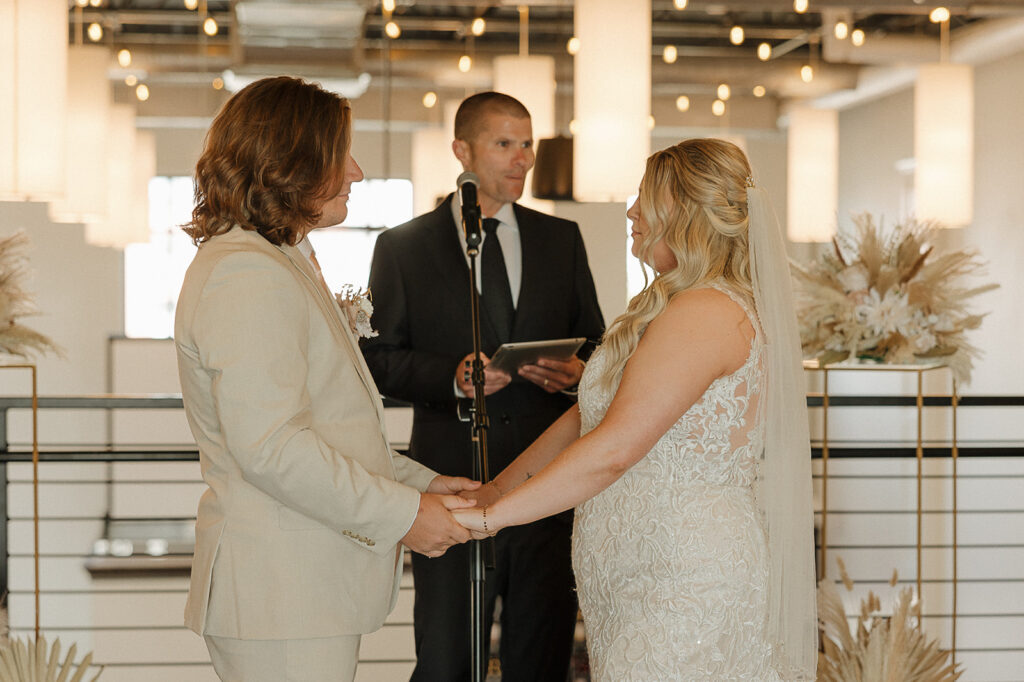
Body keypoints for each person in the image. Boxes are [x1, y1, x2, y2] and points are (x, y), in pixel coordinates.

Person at [454, 139, 818, 680]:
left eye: (645, 197)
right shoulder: (675, 304)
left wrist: (490, 520)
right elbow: (585, 420)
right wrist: (495, 490)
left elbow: (616, 449)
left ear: (686, 210)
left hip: (683, 578)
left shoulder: (708, 311)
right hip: (637, 573)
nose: (631, 210)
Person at [174, 76, 479, 682]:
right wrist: (403, 515)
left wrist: (424, 483)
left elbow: (328, 429)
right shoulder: (247, 274)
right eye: (342, 155)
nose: (357, 172)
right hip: (280, 595)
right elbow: (274, 449)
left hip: (297, 591)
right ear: (294, 162)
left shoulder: (278, 259)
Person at [360, 91, 604, 681]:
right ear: (461, 150)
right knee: (447, 662)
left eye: (528, 144)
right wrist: (452, 376)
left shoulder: (561, 238)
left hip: (549, 491)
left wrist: (578, 374)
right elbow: (379, 359)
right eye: (504, 144)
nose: (521, 159)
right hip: (454, 491)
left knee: (542, 661)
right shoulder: (403, 247)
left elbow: (597, 342)